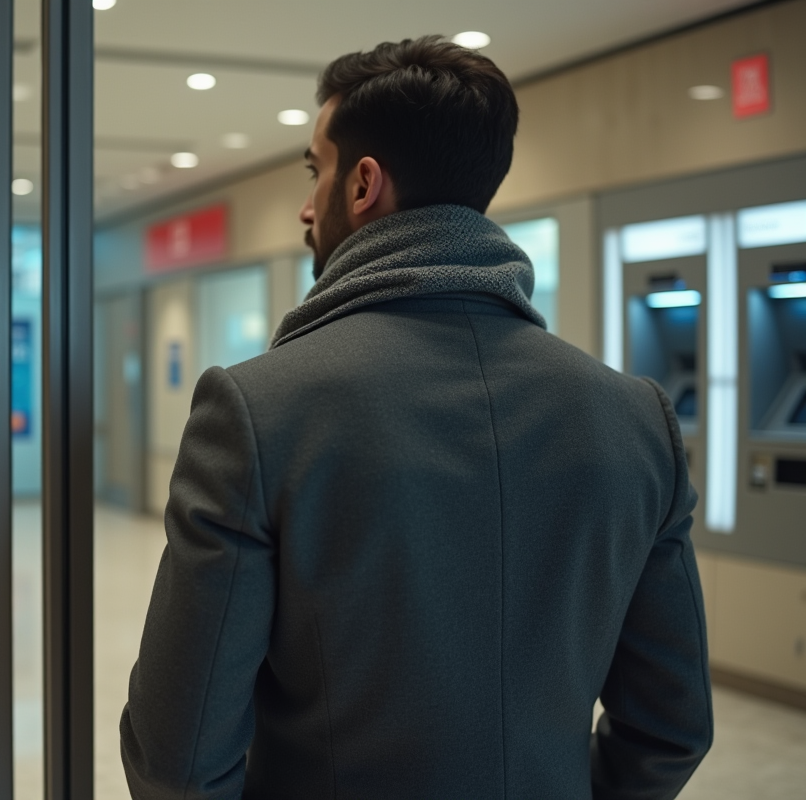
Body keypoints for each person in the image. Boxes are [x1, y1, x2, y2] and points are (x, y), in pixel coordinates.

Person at [120, 36, 712, 799]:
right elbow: (673, 727)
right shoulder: (636, 419)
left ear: (364, 183)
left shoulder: (257, 410)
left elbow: (179, 756)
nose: (305, 207)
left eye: (315, 170)